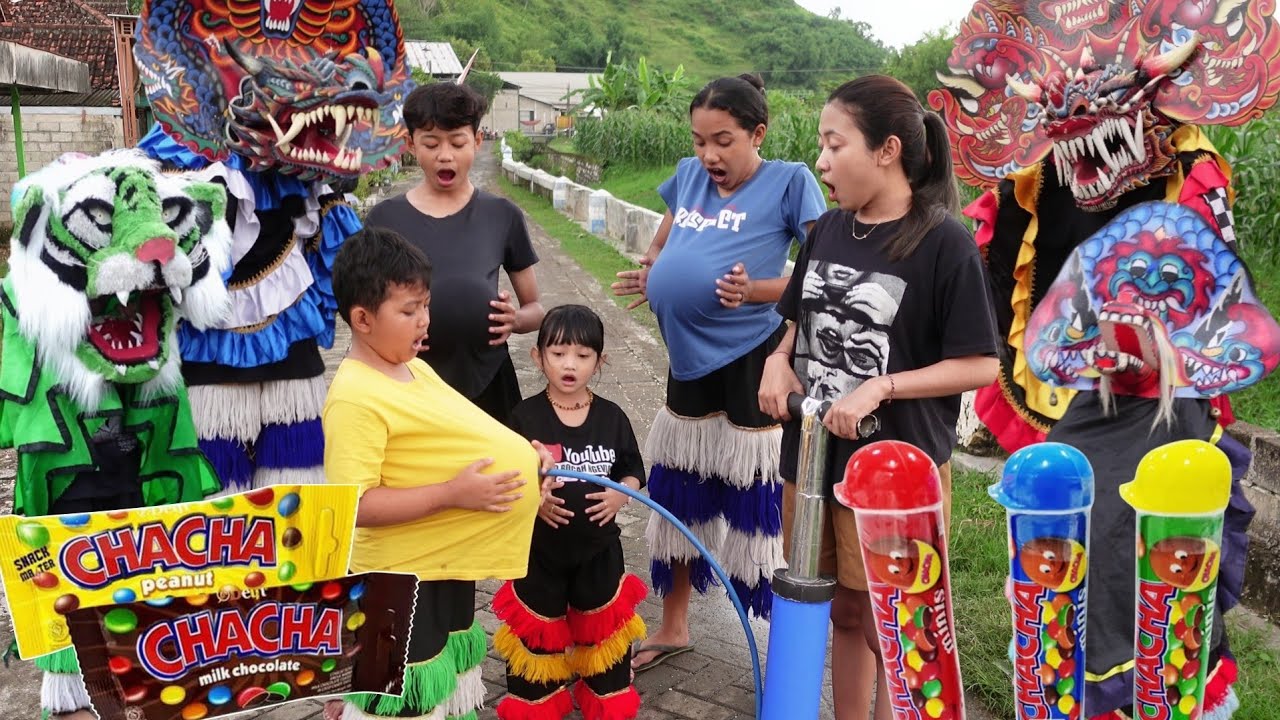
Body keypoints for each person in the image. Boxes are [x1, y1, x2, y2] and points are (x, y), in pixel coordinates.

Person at [758, 75, 999, 720]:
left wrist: (883, 385)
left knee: (891, 622)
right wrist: (778, 362)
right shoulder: (827, 230)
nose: (821, 161)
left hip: (895, 475)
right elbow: (797, 319)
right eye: (821, 144)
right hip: (813, 460)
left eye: (835, 145)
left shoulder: (943, 242)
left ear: (887, 150)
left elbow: (980, 363)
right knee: (838, 607)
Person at [612, 73, 828, 671]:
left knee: (756, 498)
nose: (709, 154)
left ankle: (775, 645)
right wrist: (654, 272)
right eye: (700, 140)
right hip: (688, 361)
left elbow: (821, 270)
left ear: (757, 134)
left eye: (723, 140)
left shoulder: (790, 181)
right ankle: (675, 625)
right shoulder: (688, 177)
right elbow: (662, 245)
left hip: (754, 358)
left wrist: (754, 290)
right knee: (681, 487)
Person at [320, 226, 552, 720]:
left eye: (426, 305)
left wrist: (522, 455)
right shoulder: (354, 398)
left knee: (445, 684)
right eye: (409, 311)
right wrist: (451, 493)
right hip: (399, 579)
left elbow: (457, 432)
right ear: (362, 319)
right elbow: (355, 505)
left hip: (444, 559)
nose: (425, 320)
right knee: (406, 699)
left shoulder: (411, 366)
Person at [493, 304, 648, 720]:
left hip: (599, 552)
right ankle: (538, 705)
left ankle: (604, 700)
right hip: (539, 554)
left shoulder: (612, 417)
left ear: (600, 362)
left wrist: (621, 495)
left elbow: (634, 470)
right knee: (537, 638)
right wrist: (535, 499)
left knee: (603, 636)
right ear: (537, 356)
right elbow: (509, 476)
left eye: (582, 355)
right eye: (558, 353)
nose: (569, 364)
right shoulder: (524, 416)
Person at [364, 82, 545, 423]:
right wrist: (389, 335)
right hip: (408, 386)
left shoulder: (502, 215)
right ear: (410, 144)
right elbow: (363, 313)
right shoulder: (384, 219)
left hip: (491, 385)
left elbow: (535, 308)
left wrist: (516, 321)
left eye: (458, 143)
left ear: (477, 141)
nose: (445, 155)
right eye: (431, 144)